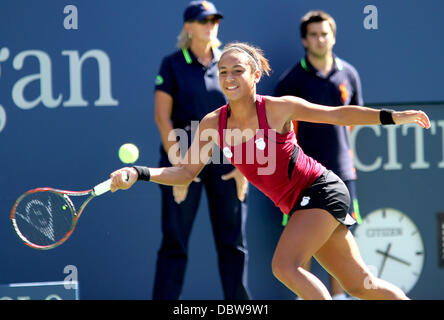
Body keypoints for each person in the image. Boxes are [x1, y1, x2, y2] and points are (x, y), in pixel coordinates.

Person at [110, 42, 430, 300]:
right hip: (299, 204)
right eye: (223, 72)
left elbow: (338, 114)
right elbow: (185, 172)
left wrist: (394, 117)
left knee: (283, 266)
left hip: (320, 190)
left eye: (238, 70)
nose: (229, 78)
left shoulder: (278, 108)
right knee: (362, 286)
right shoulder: (212, 124)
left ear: (255, 74)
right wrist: (138, 173)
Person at [150, 1, 250, 300]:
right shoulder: (171, 64)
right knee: (174, 243)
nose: (211, 24)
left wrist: (245, 165)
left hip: (226, 161)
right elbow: (162, 117)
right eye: (203, 20)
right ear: (188, 27)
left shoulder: (228, 63)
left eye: (214, 19)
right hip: (183, 158)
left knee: (234, 243)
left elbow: (245, 112)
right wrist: (180, 166)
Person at [274, 10, 362, 300]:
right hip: (302, 177)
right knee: (302, 245)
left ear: (333, 37)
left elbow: (352, 119)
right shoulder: (291, 81)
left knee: (340, 242)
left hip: (343, 174)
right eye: (313, 34)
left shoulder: (349, 74)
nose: (320, 39)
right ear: (304, 40)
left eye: (325, 33)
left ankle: (340, 298)